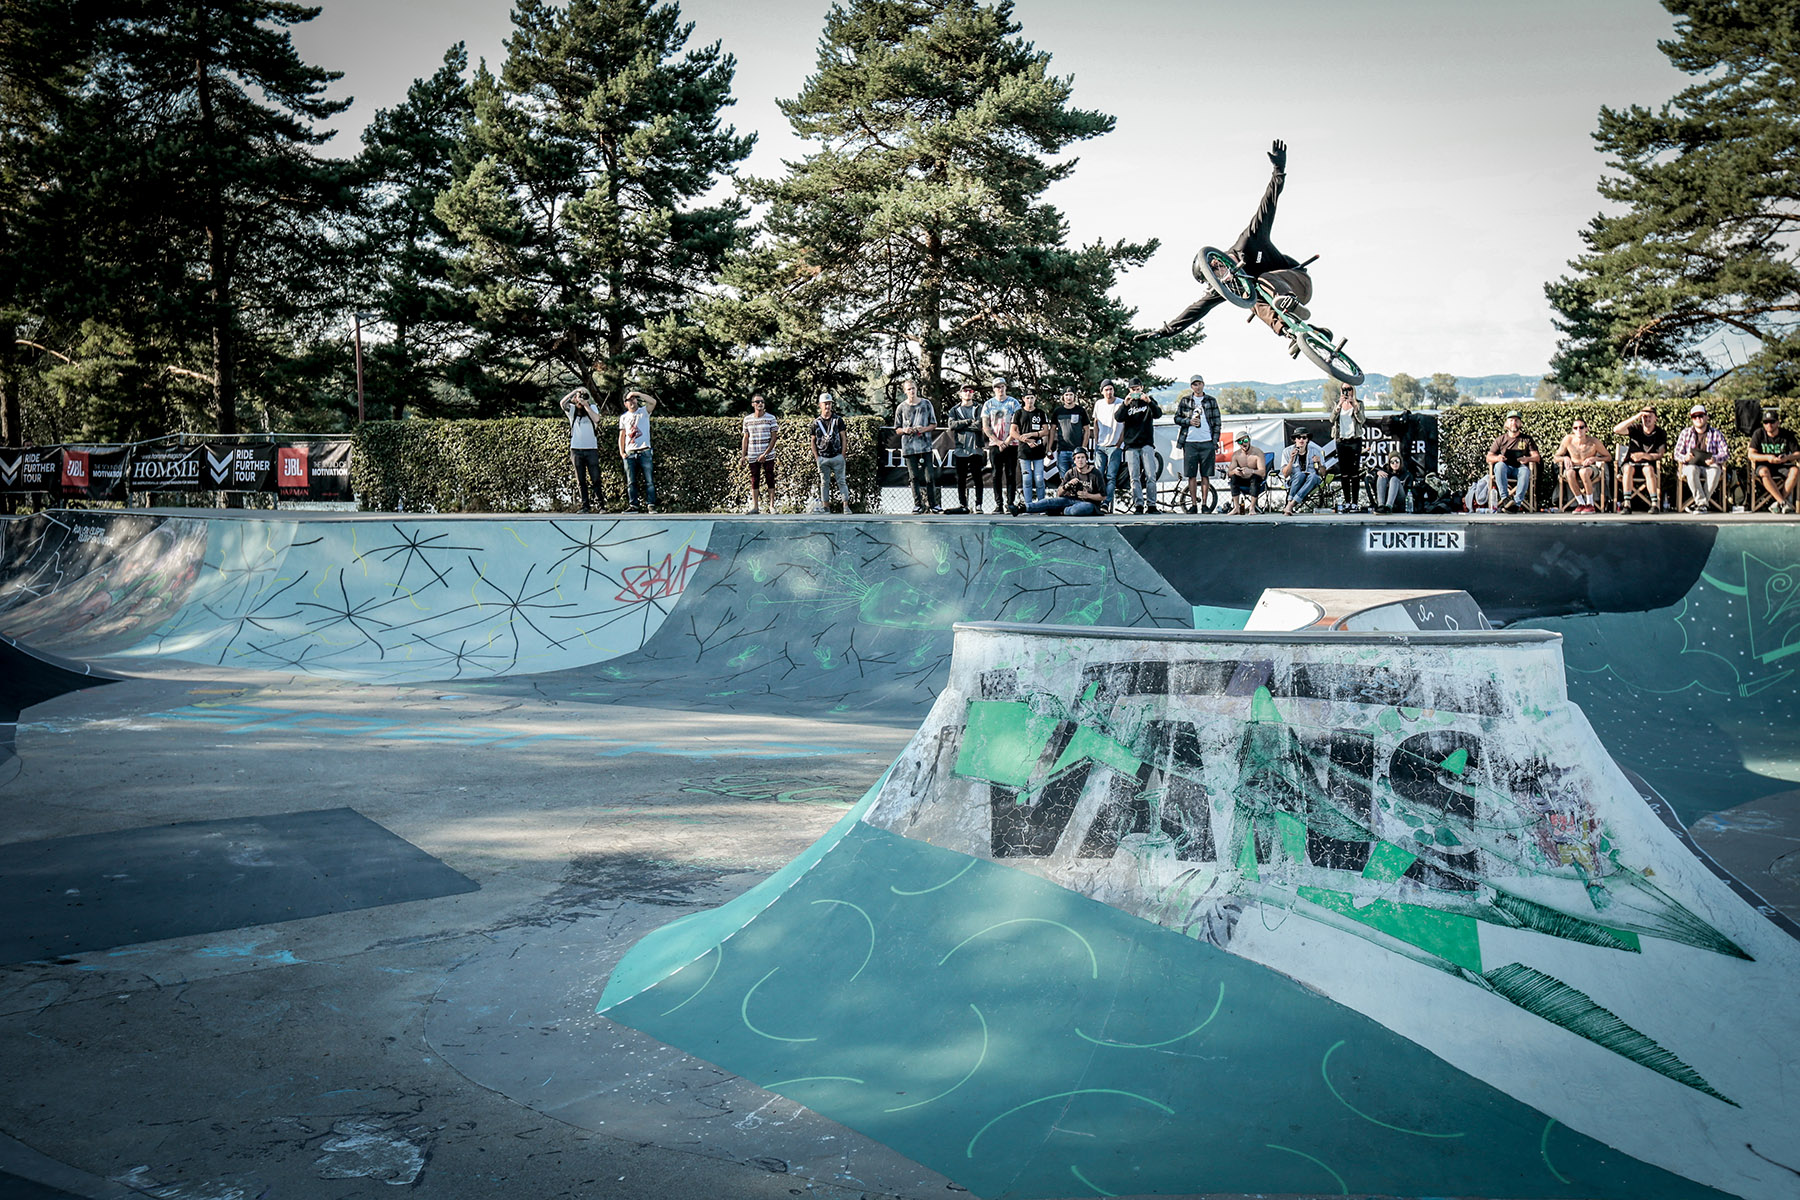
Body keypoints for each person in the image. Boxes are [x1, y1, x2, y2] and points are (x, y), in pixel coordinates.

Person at [1136, 139, 1329, 358]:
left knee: (1262, 280)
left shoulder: (1248, 241)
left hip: (1296, 280)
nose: (1224, 280)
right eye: (1216, 280)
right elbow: (1197, 309)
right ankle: (1302, 335)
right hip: (1277, 298)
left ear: (1217, 262)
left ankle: (1289, 302)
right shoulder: (1232, 286)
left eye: (1217, 273)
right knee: (1253, 302)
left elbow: (1268, 205)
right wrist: (1165, 331)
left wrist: (1278, 171)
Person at [1173, 375, 1222, 513]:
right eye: (1195, 384)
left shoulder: (1211, 401)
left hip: (1207, 442)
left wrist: (1214, 441)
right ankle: (1193, 504)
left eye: (1199, 384)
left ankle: (1205, 504)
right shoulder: (1185, 400)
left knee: (1205, 475)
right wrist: (1189, 421)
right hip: (1189, 442)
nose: (1197, 387)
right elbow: (1176, 418)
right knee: (1191, 475)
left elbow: (1218, 422)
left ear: (1203, 384)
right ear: (1191, 386)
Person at [1117, 381, 1163, 514]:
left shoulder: (1149, 401)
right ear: (1129, 390)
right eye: (1133, 389)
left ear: (1142, 388)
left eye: (1137, 389)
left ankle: (1152, 505)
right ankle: (1138, 505)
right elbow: (1118, 418)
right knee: (1134, 476)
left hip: (1146, 443)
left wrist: (1149, 402)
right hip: (1131, 445)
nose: (1135, 391)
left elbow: (1158, 414)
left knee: (1150, 475)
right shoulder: (1127, 403)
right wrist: (1125, 404)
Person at [894, 377, 939, 513]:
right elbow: (897, 429)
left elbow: (934, 424)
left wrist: (923, 429)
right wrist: (905, 430)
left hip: (925, 446)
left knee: (929, 476)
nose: (911, 391)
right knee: (913, 477)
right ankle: (918, 504)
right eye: (909, 389)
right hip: (909, 447)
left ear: (917, 389)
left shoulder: (926, 404)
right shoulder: (901, 407)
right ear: (905, 391)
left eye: (913, 388)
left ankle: (933, 504)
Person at [559, 386, 606, 512]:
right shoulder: (573, 410)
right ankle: (586, 506)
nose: (581, 400)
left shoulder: (592, 408)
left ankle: (601, 505)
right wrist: (576, 392)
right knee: (581, 480)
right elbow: (562, 403)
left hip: (591, 449)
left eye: (584, 397)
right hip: (576, 450)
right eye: (579, 398)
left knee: (595, 478)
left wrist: (586, 404)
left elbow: (597, 419)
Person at [1612, 406, 1668, 512]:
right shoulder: (1635, 428)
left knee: (1649, 470)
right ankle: (1627, 504)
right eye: (1644, 417)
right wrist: (1636, 417)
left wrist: (1643, 455)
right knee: (1628, 468)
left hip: (1647, 465)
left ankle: (1654, 504)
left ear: (1655, 418)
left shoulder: (1660, 433)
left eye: (1650, 417)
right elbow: (1616, 430)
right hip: (1630, 464)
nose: (1647, 419)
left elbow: (1660, 455)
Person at [1674, 403, 1729, 512]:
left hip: (1709, 466)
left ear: (1706, 417)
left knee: (1715, 470)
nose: (1698, 419)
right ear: (1692, 419)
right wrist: (1685, 458)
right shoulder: (1685, 433)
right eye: (1695, 417)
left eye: (1701, 416)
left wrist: (1715, 458)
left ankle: (1700, 504)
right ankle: (1702, 504)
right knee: (1691, 470)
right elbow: (1676, 454)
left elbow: (1725, 453)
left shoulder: (1716, 433)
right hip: (1692, 465)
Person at [1485, 410, 1540, 513]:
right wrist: (1498, 458)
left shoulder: (1527, 439)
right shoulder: (1501, 439)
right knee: (1499, 466)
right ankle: (1506, 499)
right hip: (1505, 468)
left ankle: (1516, 504)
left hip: (1520, 468)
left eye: (1516, 420)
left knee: (1525, 471)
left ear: (1520, 423)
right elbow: (1489, 457)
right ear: (1506, 424)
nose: (1514, 422)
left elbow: (1536, 457)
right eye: (1511, 420)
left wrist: (1527, 459)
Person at [1023, 447, 1106, 516]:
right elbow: (1059, 493)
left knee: (1077, 510)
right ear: (1074, 460)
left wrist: (1088, 495)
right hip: (1070, 500)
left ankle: (1061, 511)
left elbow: (1103, 496)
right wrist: (1067, 485)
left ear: (1086, 459)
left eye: (1082, 457)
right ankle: (1024, 508)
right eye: (1078, 458)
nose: (1080, 460)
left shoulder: (1095, 473)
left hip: (1088, 503)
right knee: (1049, 501)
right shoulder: (1071, 472)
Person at [943, 383, 987, 512]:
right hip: (961, 449)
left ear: (973, 393)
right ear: (960, 394)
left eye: (970, 391)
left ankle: (978, 504)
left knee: (977, 478)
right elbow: (952, 425)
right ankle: (963, 504)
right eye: (965, 391)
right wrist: (968, 421)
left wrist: (961, 425)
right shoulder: (955, 410)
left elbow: (979, 425)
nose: (968, 393)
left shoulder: (979, 408)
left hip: (975, 448)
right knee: (961, 479)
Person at [1552, 417, 1610, 513]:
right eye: (1575, 428)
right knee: (1569, 473)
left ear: (1586, 429)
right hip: (1574, 467)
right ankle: (1581, 503)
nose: (1578, 430)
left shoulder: (1594, 442)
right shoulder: (1568, 440)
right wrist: (1565, 458)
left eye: (1581, 427)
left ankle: (1590, 504)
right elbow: (1556, 457)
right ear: (1572, 430)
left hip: (1589, 468)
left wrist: (1595, 458)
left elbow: (1608, 457)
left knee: (1583, 472)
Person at [1748, 408, 1800, 513]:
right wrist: (1768, 457)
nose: (1769, 425)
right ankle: (1782, 502)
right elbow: (1751, 454)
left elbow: (1798, 453)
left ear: (1778, 423)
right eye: (1766, 422)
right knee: (1764, 472)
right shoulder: (1758, 434)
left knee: (1795, 471)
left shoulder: (1787, 435)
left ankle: (1779, 502)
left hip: (1782, 465)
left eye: (1772, 422)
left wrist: (1787, 458)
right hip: (1764, 465)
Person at [982, 376, 1021, 514]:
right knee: (995, 474)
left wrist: (1007, 441)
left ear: (1006, 387)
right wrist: (998, 441)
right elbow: (986, 427)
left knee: (1010, 474)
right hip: (995, 444)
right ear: (994, 389)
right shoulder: (988, 404)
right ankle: (998, 504)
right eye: (997, 387)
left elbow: (1017, 424)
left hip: (1011, 443)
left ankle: (1010, 503)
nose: (1000, 389)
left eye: (1002, 386)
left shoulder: (1013, 403)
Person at [617, 389, 658, 513]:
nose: (632, 401)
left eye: (633, 399)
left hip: (644, 451)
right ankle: (634, 505)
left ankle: (651, 504)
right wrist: (622, 452)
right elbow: (622, 436)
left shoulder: (643, 412)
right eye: (629, 400)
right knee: (631, 481)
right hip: (630, 453)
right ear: (625, 404)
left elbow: (653, 402)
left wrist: (638, 393)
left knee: (649, 481)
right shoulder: (623, 417)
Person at [1330, 385, 1367, 511]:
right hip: (1341, 440)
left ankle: (1355, 502)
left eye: (1349, 389)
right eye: (1344, 389)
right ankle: (1347, 501)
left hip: (1354, 440)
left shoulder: (1359, 403)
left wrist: (1355, 406)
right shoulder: (1337, 403)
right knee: (1344, 473)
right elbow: (1331, 419)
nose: (1347, 392)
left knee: (1354, 472)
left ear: (1353, 390)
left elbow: (1362, 421)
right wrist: (1339, 406)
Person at [741, 393, 779, 514]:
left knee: (770, 477)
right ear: (753, 404)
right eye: (757, 402)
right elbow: (745, 438)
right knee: (754, 479)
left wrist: (766, 454)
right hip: (753, 454)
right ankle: (755, 507)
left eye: (762, 401)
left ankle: (772, 506)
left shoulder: (771, 418)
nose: (760, 404)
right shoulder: (747, 420)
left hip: (768, 454)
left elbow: (774, 438)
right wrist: (743, 456)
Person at [812, 392, 850, 514]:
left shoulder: (838, 420)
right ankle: (826, 507)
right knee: (824, 483)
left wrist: (842, 455)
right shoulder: (815, 422)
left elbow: (843, 437)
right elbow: (812, 441)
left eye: (829, 404)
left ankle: (846, 506)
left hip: (837, 456)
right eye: (825, 404)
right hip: (823, 457)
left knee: (841, 481)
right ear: (820, 405)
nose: (827, 406)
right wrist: (817, 457)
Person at [1014, 390, 1052, 508]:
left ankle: (1041, 505)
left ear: (1035, 399)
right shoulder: (1018, 413)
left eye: (1032, 397)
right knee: (1027, 479)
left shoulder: (1040, 413)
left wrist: (1031, 435)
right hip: (1024, 451)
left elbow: (1046, 431)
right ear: (1023, 399)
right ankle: (1028, 505)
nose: (1030, 400)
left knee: (1039, 479)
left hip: (1038, 451)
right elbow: (1013, 432)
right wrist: (1026, 440)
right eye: (1027, 398)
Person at [1093, 379, 1125, 512]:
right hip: (1101, 445)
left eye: (1111, 389)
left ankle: (1106, 503)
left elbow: (1125, 425)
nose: (1109, 392)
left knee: (1111, 476)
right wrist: (1096, 440)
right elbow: (1095, 422)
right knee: (1098, 475)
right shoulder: (1099, 404)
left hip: (1115, 446)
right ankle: (1096, 501)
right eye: (1106, 389)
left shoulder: (1121, 403)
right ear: (1102, 392)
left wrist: (1119, 443)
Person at [1049, 388, 1091, 480]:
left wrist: (1083, 447)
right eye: (1066, 395)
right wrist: (1049, 447)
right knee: (1065, 480)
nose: (1069, 397)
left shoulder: (1081, 410)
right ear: (1063, 397)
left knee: (1078, 479)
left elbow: (1087, 430)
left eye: (1071, 395)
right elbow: (1052, 429)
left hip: (1077, 452)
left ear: (1074, 396)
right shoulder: (1058, 411)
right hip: (1062, 451)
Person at [1281, 428, 1323, 514]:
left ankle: (1290, 504)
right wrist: (1291, 459)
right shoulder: (1287, 451)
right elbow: (1285, 474)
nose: (1301, 440)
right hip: (1295, 480)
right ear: (1294, 439)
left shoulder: (1316, 451)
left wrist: (1319, 463)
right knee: (1300, 475)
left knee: (1313, 476)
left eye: (1304, 437)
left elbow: (1323, 473)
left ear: (1307, 439)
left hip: (1312, 480)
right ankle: (1290, 504)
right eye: (1298, 437)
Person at [1226, 436, 1266, 514]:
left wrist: (1251, 471)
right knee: (1233, 478)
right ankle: (1236, 507)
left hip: (1254, 479)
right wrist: (1235, 471)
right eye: (1240, 442)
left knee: (1255, 478)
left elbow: (1263, 473)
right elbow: (1229, 473)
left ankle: (1252, 507)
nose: (1243, 443)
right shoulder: (1236, 455)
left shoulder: (1258, 453)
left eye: (1245, 440)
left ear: (1249, 440)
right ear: (1238, 444)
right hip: (1242, 479)